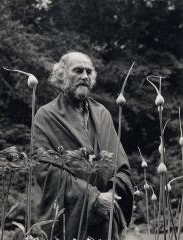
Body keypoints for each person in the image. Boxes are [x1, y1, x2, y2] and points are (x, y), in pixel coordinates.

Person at [34, 52, 133, 240]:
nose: (85, 76)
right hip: (68, 219)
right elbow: (46, 170)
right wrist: (93, 198)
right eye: (78, 71)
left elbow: (121, 166)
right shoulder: (45, 116)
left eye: (89, 72)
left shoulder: (102, 113)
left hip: (105, 220)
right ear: (61, 75)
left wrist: (112, 194)